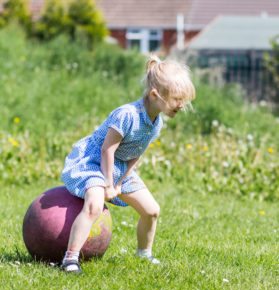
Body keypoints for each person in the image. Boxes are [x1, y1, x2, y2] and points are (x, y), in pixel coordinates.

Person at [60, 55, 196, 273]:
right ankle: (70, 259)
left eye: (183, 100)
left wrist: (120, 182)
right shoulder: (127, 115)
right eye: (176, 99)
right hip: (95, 162)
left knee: (152, 211)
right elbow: (107, 149)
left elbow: (136, 154)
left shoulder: (156, 122)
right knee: (95, 205)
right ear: (155, 95)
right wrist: (107, 184)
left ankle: (144, 255)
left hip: (120, 166)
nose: (181, 105)